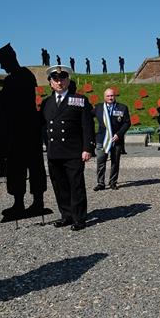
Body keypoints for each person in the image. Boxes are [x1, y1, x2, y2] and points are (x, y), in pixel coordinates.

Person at [0, 43, 47, 218]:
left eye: (2, 62)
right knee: (25, 166)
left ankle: (28, 203)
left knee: (23, 165)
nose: (1, 66)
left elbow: (6, 105)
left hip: (21, 127)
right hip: (27, 127)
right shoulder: (25, 75)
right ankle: (29, 202)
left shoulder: (16, 78)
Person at [41, 65, 94, 230]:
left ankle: (79, 218)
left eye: (62, 79)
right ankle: (66, 215)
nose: (59, 82)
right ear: (50, 83)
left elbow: (87, 126)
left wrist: (88, 148)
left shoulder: (78, 100)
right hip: (54, 152)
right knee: (60, 185)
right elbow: (43, 127)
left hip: (73, 152)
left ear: (68, 80)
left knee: (76, 186)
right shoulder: (46, 103)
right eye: (55, 79)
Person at [93, 87, 130, 190]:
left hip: (116, 139)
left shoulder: (122, 108)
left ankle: (113, 182)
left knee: (115, 161)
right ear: (104, 97)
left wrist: (119, 134)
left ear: (115, 96)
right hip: (102, 139)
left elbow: (127, 123)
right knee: (100, 162)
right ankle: (100, 183)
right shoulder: (98, 108)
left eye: (112, 95)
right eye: (108, 96)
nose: (110, 98)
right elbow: (87, 117)